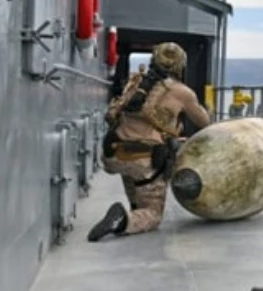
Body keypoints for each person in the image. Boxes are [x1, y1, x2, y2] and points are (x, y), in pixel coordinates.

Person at [88, 42, 211, 241]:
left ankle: (133, 211)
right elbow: (204, 122)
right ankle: (123, 220)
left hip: (115, 153)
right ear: (180, 66)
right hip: (143, 160)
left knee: (137, 193)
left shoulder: (134, 82)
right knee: (153, 215)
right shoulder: (182, 92)